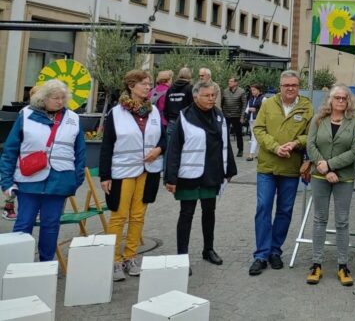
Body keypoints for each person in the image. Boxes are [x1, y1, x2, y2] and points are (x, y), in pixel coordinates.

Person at [0, 80, 86, 261]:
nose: (60, 101)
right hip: (28, 181)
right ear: (43, 99)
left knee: (51, 225)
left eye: (63, 98)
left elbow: (80, 153)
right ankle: (17, 264)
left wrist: (75, 180)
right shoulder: (26, 115)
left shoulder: (73, 118)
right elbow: (11, 149)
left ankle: (45, 265)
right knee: (23, 225)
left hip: (59, 181)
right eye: (56, 98)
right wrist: (6, 181)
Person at [164, 81, 237, 273]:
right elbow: (174, 148)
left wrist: (229, 169)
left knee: (209, 212)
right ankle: (182, 256)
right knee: (186, 214)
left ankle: (208, 249)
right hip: (189, 176)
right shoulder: (184, 117)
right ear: (196, 96)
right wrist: (170, 178)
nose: (211, 99)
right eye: (207, 96)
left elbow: (225, 144)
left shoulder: (219, 116)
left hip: (212, 173)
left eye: (213, 95)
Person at [100, 70, 166, 282]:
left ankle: (131, 256)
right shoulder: (116, 112)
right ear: (131, 86)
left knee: (138, 216)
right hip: (122, 172)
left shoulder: (154, 111)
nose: (148, 87)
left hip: (148, 171)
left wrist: (159, 150)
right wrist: (105, 175)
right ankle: (113, 260)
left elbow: (164, 138)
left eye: (149, 84)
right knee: (119, 216)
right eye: (144, 84)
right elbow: (107, 145)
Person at [249, 70, 314, 276]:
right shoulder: (268, 104)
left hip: (290, 167)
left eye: (294, 85)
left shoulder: (306, 106)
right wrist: (275, 147)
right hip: (267, 166)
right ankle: (261, 254)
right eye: (286, 85)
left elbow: (310, 135)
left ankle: (275, 251)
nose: (290, 88)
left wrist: (296, 143)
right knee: (263, 207)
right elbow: (258, 129)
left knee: (285, 210)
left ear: (298, 86)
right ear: (280, 86)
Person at [305, 85, 355, 286]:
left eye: (343, 98)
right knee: (319, 218)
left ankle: (342, 265)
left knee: (342, 221)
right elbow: (310, 145)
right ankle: (316, 263)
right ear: (330, 99)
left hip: (344, 177)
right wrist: (324, 169)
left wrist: (330, 165)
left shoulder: (354, 122)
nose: (339, 101)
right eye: (336, 97)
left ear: (348, 101)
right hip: (320, 177)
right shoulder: (318, 120)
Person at [221, 77, 247, 157]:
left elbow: (244, 105)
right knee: (225, 133)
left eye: (231, 81)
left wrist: (242, 117)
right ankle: (226, 149)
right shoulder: (225, 91)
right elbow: (221, 103)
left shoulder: (241, 91)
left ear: (236, 83)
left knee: (238, 134)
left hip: (237, 116)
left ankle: (240, 150)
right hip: (226, 115)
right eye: (229, 81)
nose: (229, 83)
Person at [245, 84, 264, 161]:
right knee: (255, 137)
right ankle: (258, 154)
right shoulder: (251, 99)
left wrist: (256, 110)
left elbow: (265, 110)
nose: (252, 92)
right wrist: (249, 110)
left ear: (258, 90)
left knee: (255, 137)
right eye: (251, 90)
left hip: (259, 120)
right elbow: (246, 109)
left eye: (254, 90)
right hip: (251, 120)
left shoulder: (263, 98)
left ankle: (251, 155)